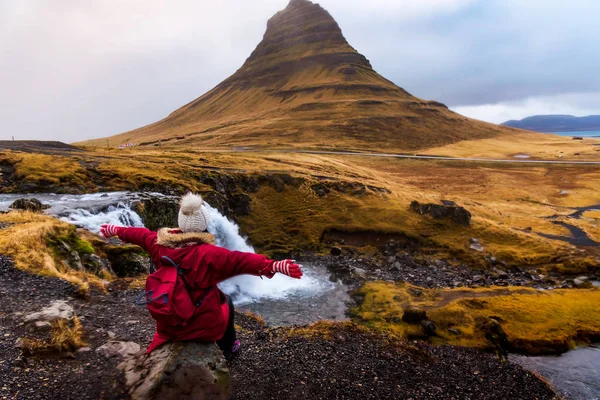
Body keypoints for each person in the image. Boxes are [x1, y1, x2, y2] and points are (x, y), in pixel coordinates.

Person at [100, 193, 303, 359]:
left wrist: (115, 230)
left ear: (180, 221)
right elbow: (241, 260)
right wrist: (275, 265)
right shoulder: (208, 255)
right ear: (205, 224)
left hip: (167, 323)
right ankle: (230, 347)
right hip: (198, 327)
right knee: (227, 301)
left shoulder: (158, 243)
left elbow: (139, 234)